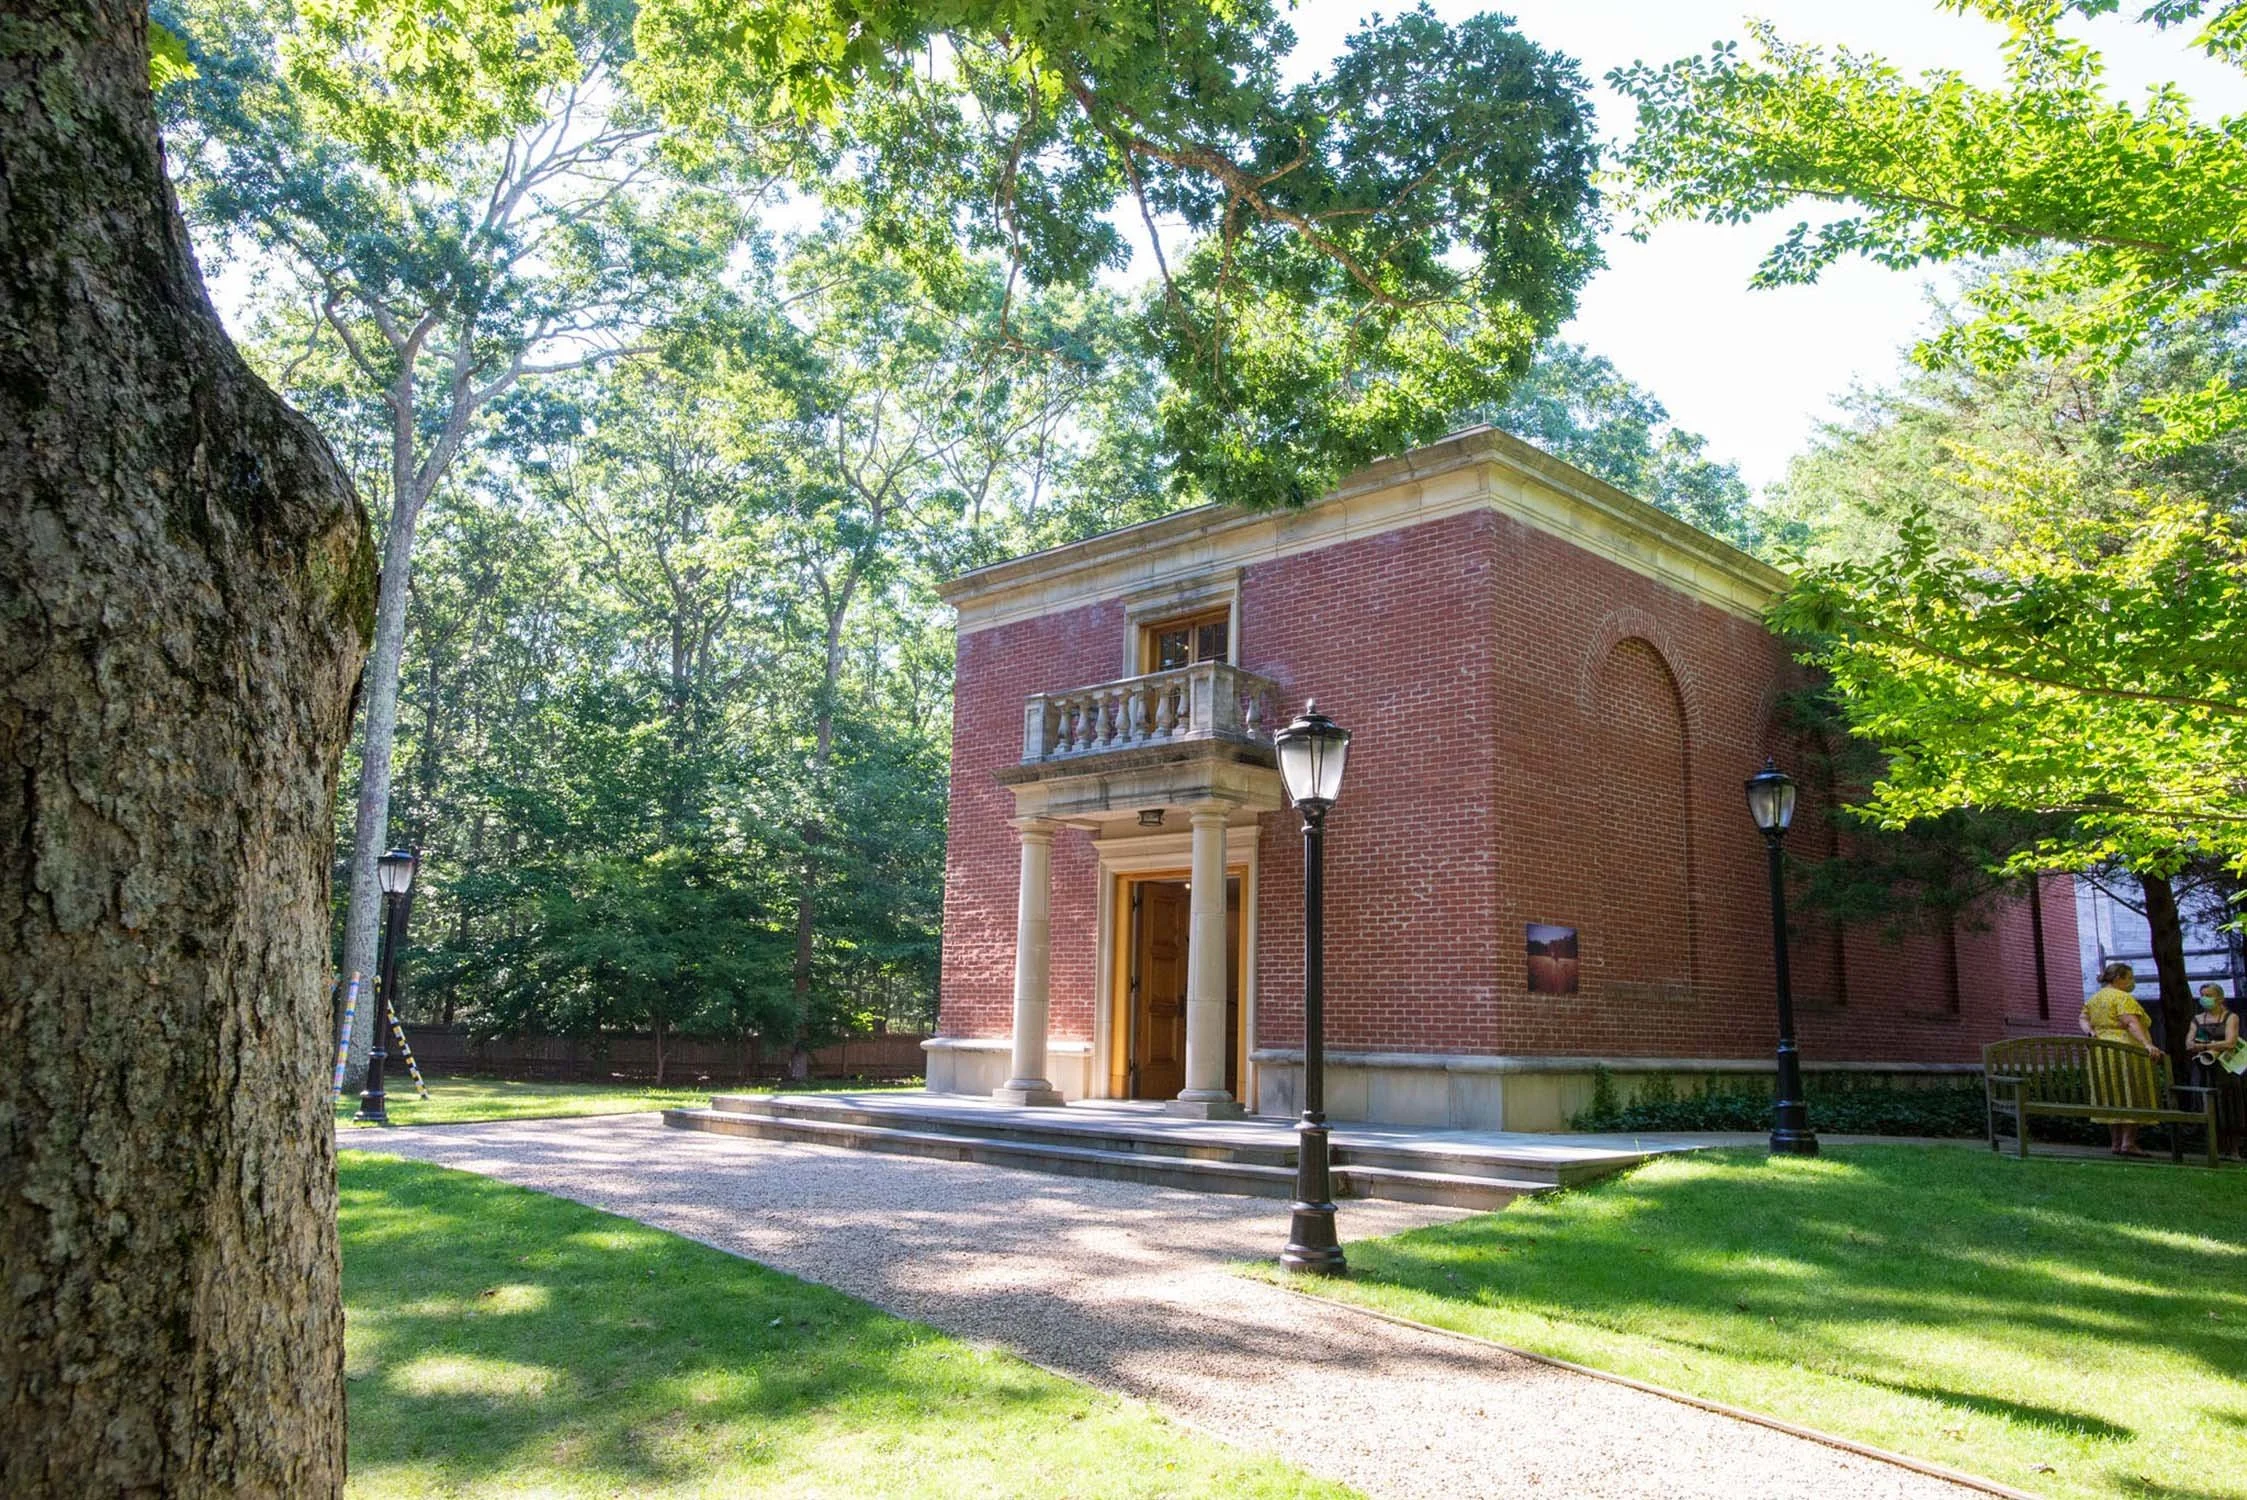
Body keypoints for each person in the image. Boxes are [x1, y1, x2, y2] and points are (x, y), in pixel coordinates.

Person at [2079, 961, 2163, 1157]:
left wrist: (2091, 1032)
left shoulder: (2095, 999)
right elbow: (2131, 1023)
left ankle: (2116, 1142)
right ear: (2119, 978)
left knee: (2111, 1093)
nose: (2131, 982)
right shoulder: (2122, 998)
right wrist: (2147, 1044)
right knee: (2130, 1091)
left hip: (2101, 1051)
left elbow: (2082, 1018)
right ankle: (2128, 1143)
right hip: (2125, 1050)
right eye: (2129, 978)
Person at [2187, 982, 2245, 1161]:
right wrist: (2209, 1046)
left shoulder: (2230, 1017)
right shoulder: (2198, 1019)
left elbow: (2230, 1042)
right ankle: (2217, 1148)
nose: (2205, 998)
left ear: (2220, 998)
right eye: (2203, 994)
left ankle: (2234, 1149)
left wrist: (2204, 1045)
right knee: (2211, 1105)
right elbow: (2189, 1044)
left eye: (2209, 995)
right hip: (2206, 1069)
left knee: (2230, 1106)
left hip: (2227, 1070)